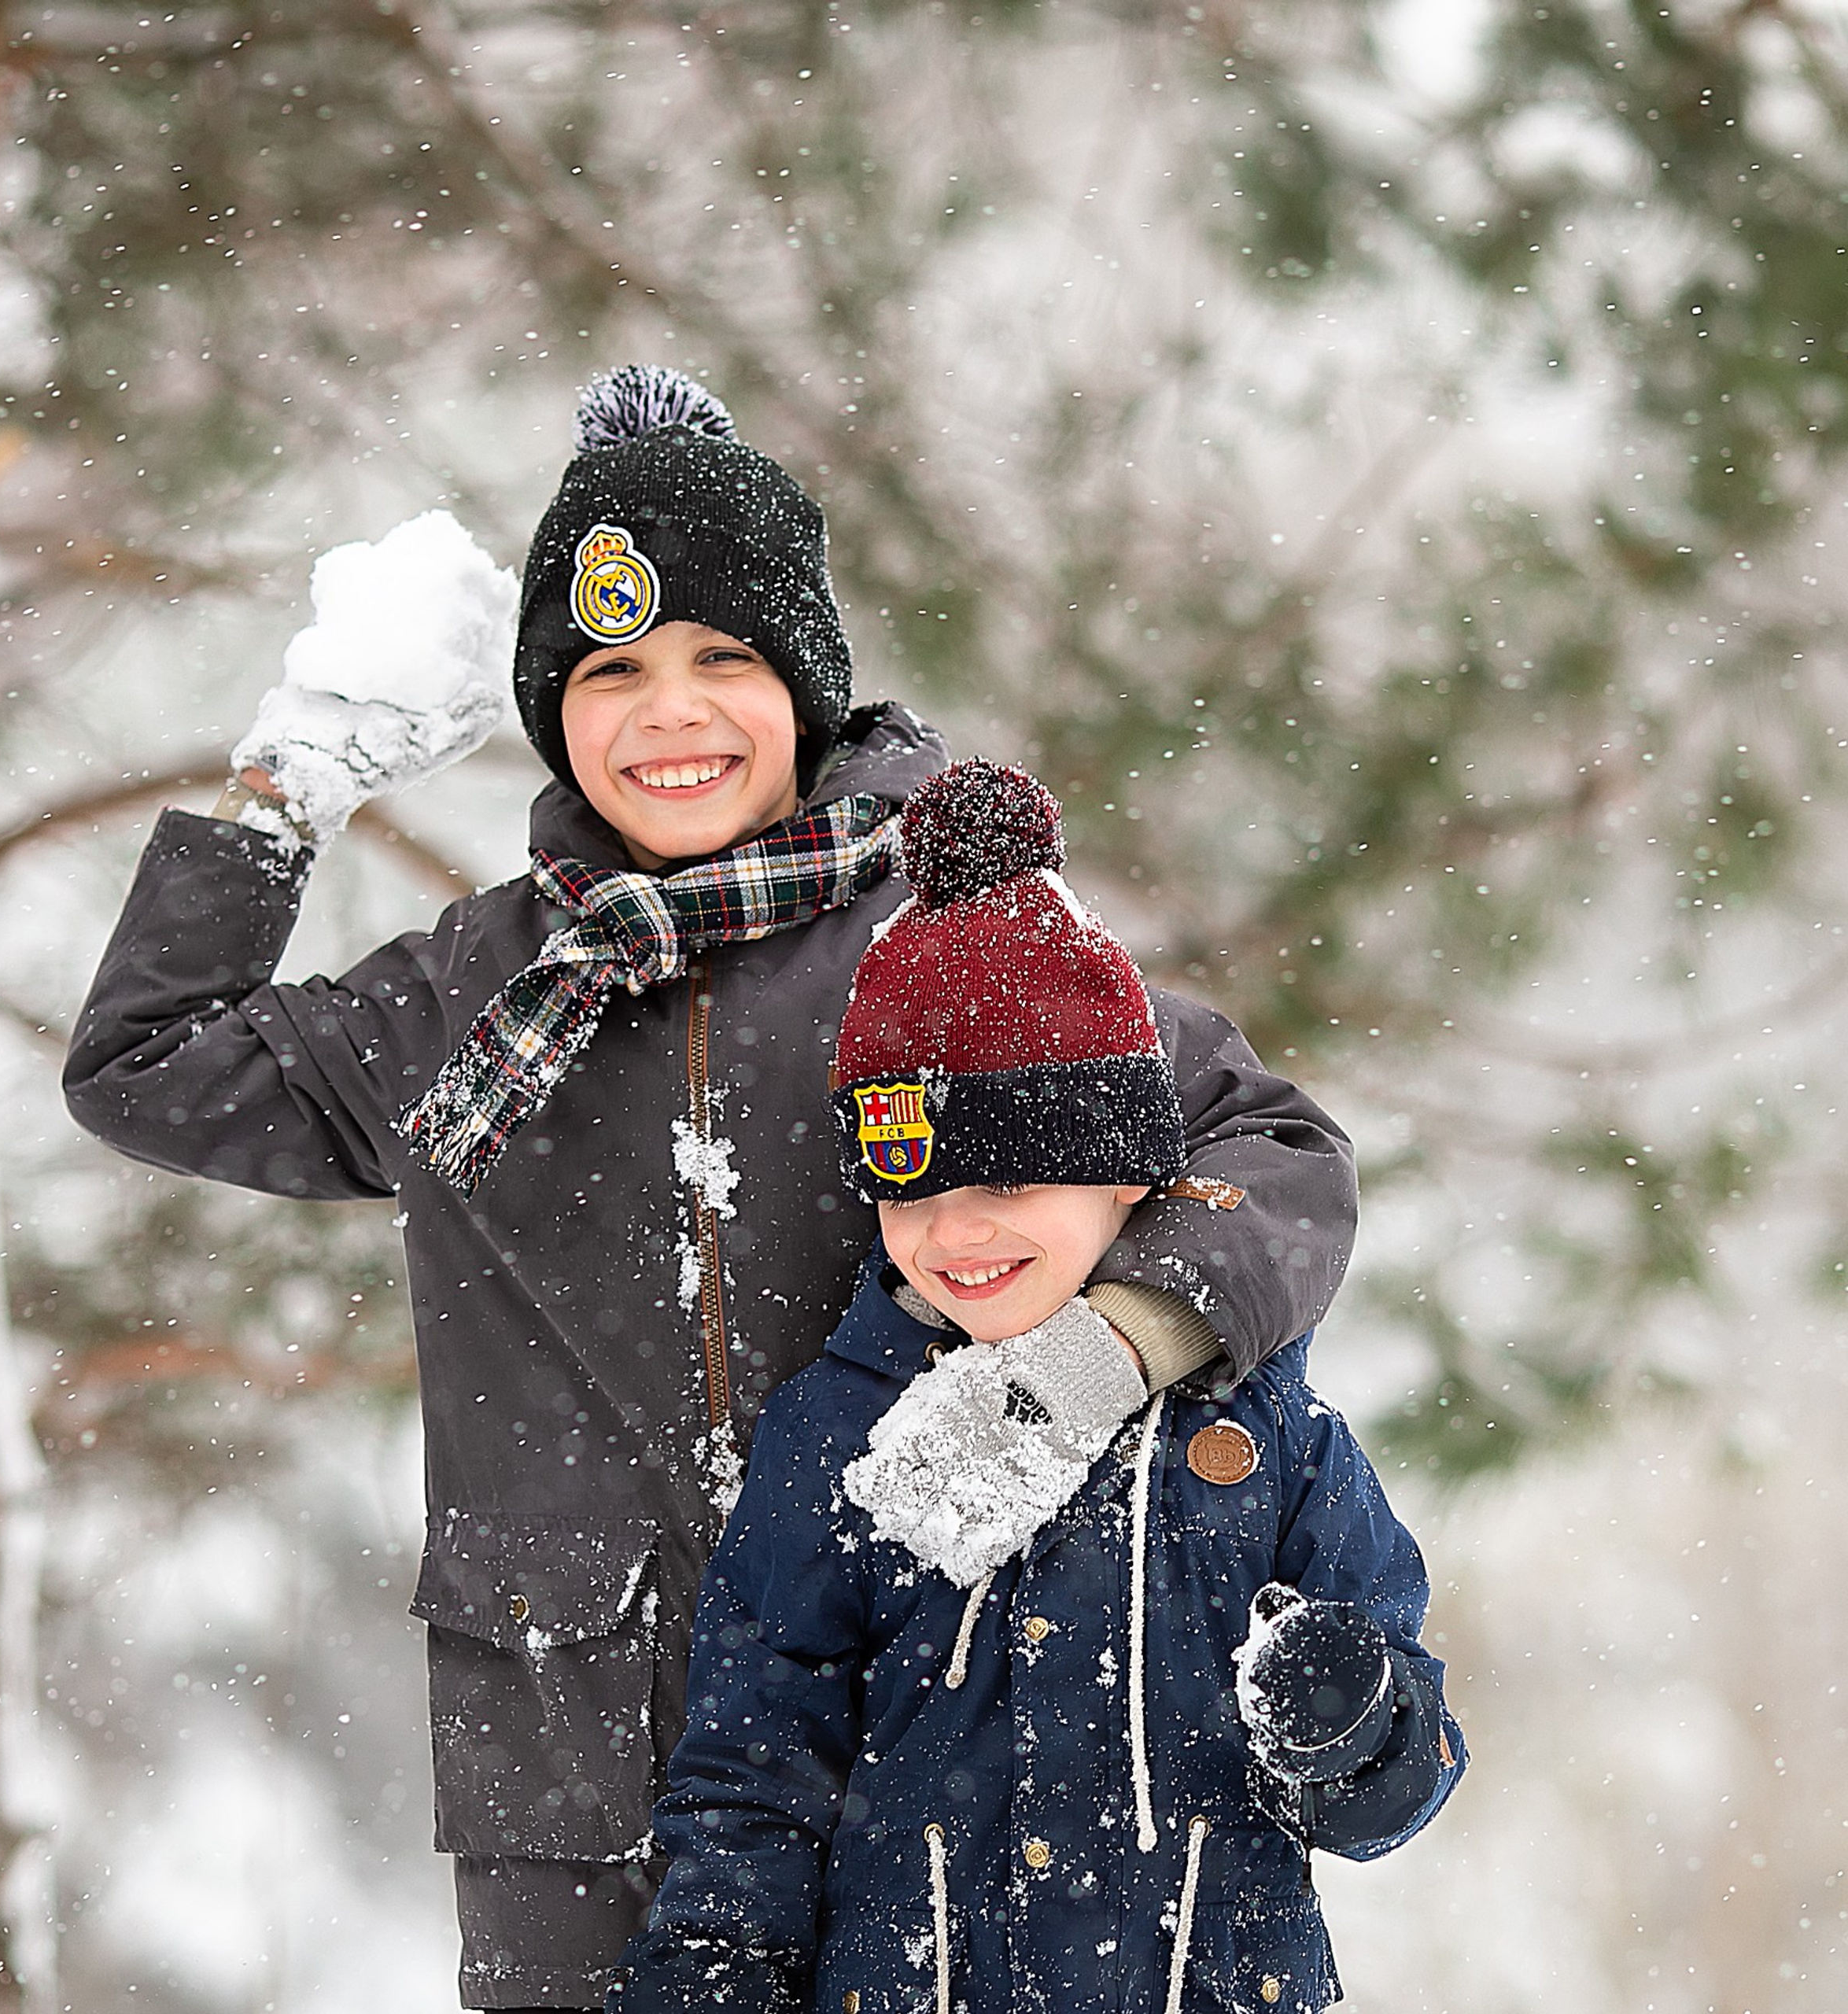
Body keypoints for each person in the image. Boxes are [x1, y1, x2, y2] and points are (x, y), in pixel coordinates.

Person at [62, 369, 1360, 2012]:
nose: (668, 713)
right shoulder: (480, 994)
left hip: (936, 1765)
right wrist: (289, 783)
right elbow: (144, 1063)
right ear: (553, 711)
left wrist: (1100, 1351)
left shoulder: (955, 945)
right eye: (610, 673)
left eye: (721, 661)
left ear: (805, 686)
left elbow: (1276, 1156)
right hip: (583, 1811)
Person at [610, 760, 1463, 2014]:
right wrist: (716, 1969)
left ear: (1128, 1178)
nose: (958, 1234)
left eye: (1010, 1184)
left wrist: (1353, 1722)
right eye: (916, 1186)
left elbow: (1404, 1775)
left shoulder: (1256, 1429)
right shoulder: (836, 1434)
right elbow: (753, 1767)